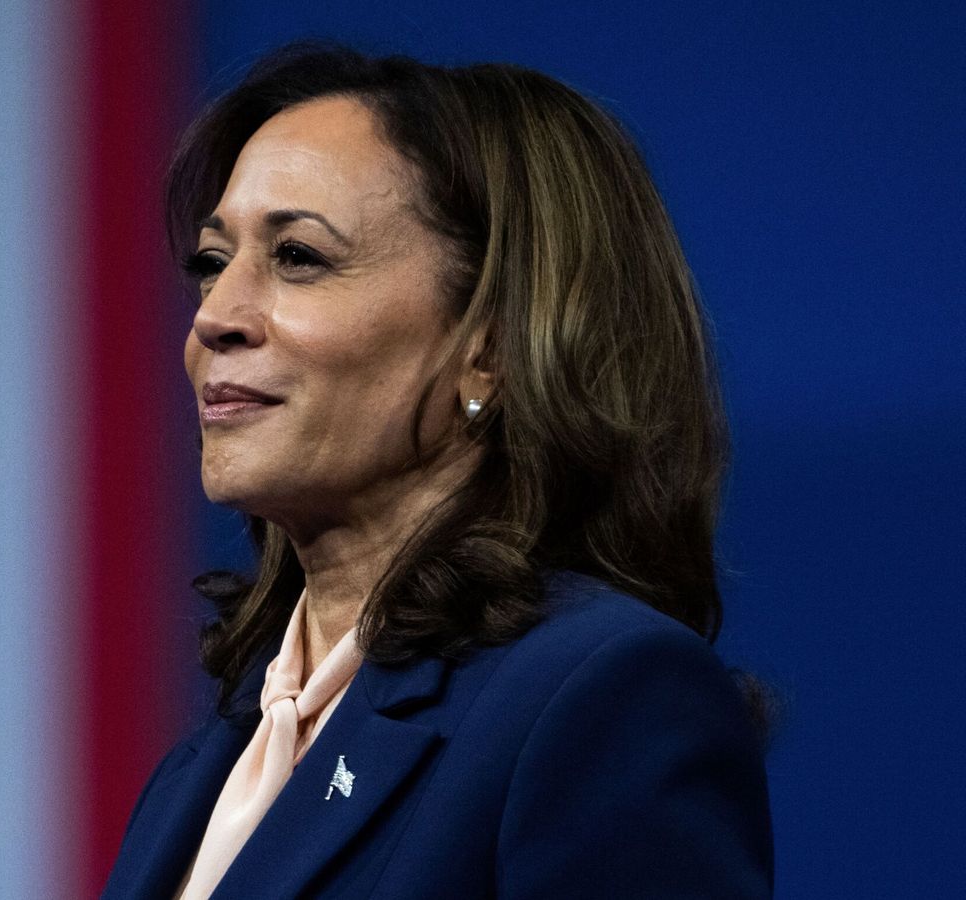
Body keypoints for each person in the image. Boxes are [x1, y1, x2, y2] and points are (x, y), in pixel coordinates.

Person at [100, 43, 774, 899]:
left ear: (489, 346)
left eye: (299, 257)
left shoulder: (598, 701)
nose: (215, 319)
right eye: (211, 262)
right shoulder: (204, 770)